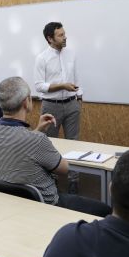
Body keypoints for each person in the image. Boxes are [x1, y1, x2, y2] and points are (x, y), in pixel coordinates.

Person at [0, 77, 103, 213]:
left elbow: (15, 142)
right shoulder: (37, 140)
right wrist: (38, 136)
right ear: (26, 102)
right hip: (45, 206)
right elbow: (64, 169)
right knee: (104, 209)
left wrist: (38, 130)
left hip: (4, 203)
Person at [34, 22, 82, 194]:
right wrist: (62, 86)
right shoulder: (42, 58)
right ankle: (51, 180)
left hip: (71, 104)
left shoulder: (71, 54)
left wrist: (79, 97)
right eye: (60, 35)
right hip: (51, 106)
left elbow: (77, 78)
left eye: (64, 34)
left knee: (73, 143)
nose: (65, 37)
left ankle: (74, 181)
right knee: (49, 143)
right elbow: (39, 86)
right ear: (50, 39)